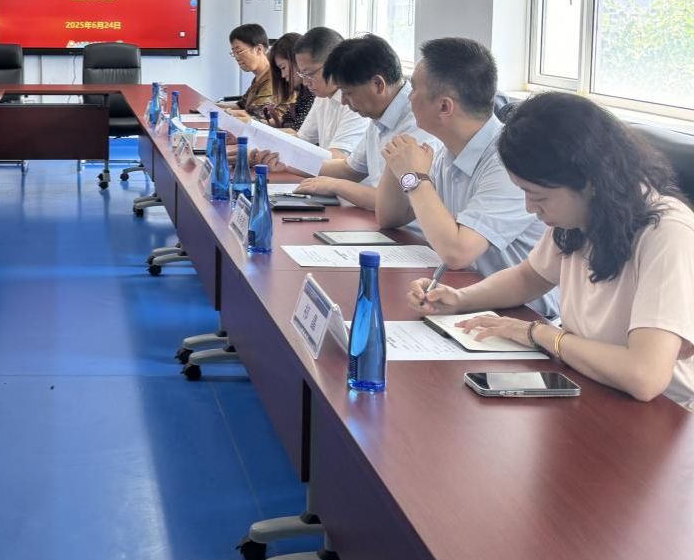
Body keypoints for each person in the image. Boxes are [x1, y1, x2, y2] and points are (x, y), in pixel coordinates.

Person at [409, 92, 694, 408]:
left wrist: (539, 334)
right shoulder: (581, 216)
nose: (530, 208)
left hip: (662, 413)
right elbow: (529, 277)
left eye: (538, 196)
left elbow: (644, 375)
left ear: (590, 181)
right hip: (588, 384)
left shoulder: (666, 233)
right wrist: (461, 299)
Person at [376, 37, 556, 318]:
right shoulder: (447, 150)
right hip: (469, 298)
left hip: (523, 314)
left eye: (415, 89)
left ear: (444, 107)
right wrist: (398, 161)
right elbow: (390, 217)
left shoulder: (507, 161)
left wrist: (413, 176)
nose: (409, 97)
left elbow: (457, 253)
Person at [292, 34, 438, 211]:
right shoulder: (380, 115)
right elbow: (348, 169)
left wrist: (335, 185)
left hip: (406, 226)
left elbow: (398, 202)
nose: (343, 101)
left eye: (348, 93)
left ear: (378, 84)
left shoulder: (419, 122)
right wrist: (289, 161)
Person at [276, 27, 368, 158]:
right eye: (302, 75)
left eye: (309, 74)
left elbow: (338, 157)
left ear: (333, 65)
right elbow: (302, 140)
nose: (305, 82)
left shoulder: (356, 101)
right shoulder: (322, 97)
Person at [220, 24, 275, 120]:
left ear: (259, 49)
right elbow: (241, 105)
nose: (236, 57)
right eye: (234, 53)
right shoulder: (259, 77)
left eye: (239, 51)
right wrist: (209, 106)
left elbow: (257, 114)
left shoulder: (273, 78)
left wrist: (223, 111)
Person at [266, 32, 313, 131]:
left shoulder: (314, 92)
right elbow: (286, 120)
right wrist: (253, 122)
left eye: (283, 68)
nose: (283, 75)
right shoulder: (303, 91)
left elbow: (297, 130)